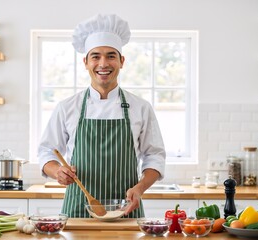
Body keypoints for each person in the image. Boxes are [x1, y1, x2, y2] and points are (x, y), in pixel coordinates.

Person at [38, 14, 166, 218]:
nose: (103, 63)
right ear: (85, 62)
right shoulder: (67, 107)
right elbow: (46, 152)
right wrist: (57, 172)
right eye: (96, 56)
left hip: (126, 210)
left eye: (111, 56)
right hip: (77, 211)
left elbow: (155, 156)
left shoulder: (140, 107)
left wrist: (140, 188)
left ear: (122, 61)